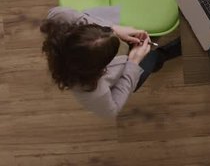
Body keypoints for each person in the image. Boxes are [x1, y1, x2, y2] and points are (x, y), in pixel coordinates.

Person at [40, 7, 181, 119]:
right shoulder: (92, 91)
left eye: (102, 30)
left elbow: (54, 13)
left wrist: (115, 30)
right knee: (152, 58)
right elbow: (111, 110)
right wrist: (133, 62)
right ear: (101, 67)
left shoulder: (61, 18)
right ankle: (161, 55)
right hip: (125, 74)